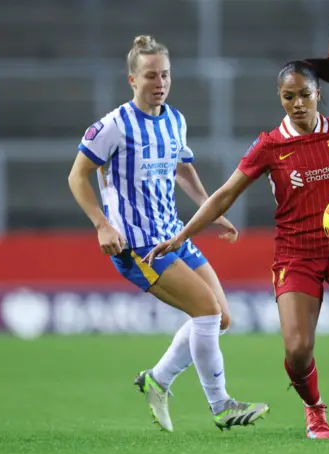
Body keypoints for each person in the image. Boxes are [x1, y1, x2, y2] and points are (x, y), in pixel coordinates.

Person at [144, 25, 329, 440]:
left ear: (318, 94)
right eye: (289, 97)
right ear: (281, 99)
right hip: (295, 255)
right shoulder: (270, 146)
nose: (297, 104)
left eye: (304, 95)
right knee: (297, 349)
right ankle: (314, 410)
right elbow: (224, 195)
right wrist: (183, 235)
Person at [68, 35, 269, 432]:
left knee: (222, 317)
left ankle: (157, 380)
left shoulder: (175, 120)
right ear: (132, 79)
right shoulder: (113, 126)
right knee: (207, 312)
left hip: (174, 235)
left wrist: (210, 209)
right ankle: (221, 406)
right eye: (150, 76)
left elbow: (183, 168)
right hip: (138, 245)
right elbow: (77, 176)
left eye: (165, 75)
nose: (159, 82)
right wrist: (102, 224)